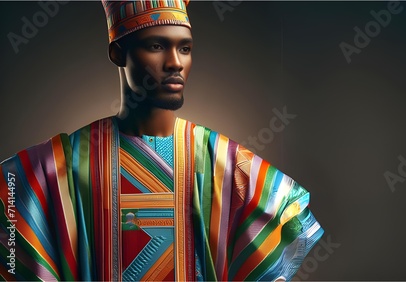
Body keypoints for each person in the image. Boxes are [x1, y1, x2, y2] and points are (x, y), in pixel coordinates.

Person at [0, 0, 324, 281]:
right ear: (118, 53)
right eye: (156, 46)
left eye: (185, 48)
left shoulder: (221, 160)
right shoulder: (63, 164)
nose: (175, 63)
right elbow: (12, 203)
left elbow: (282, 223)